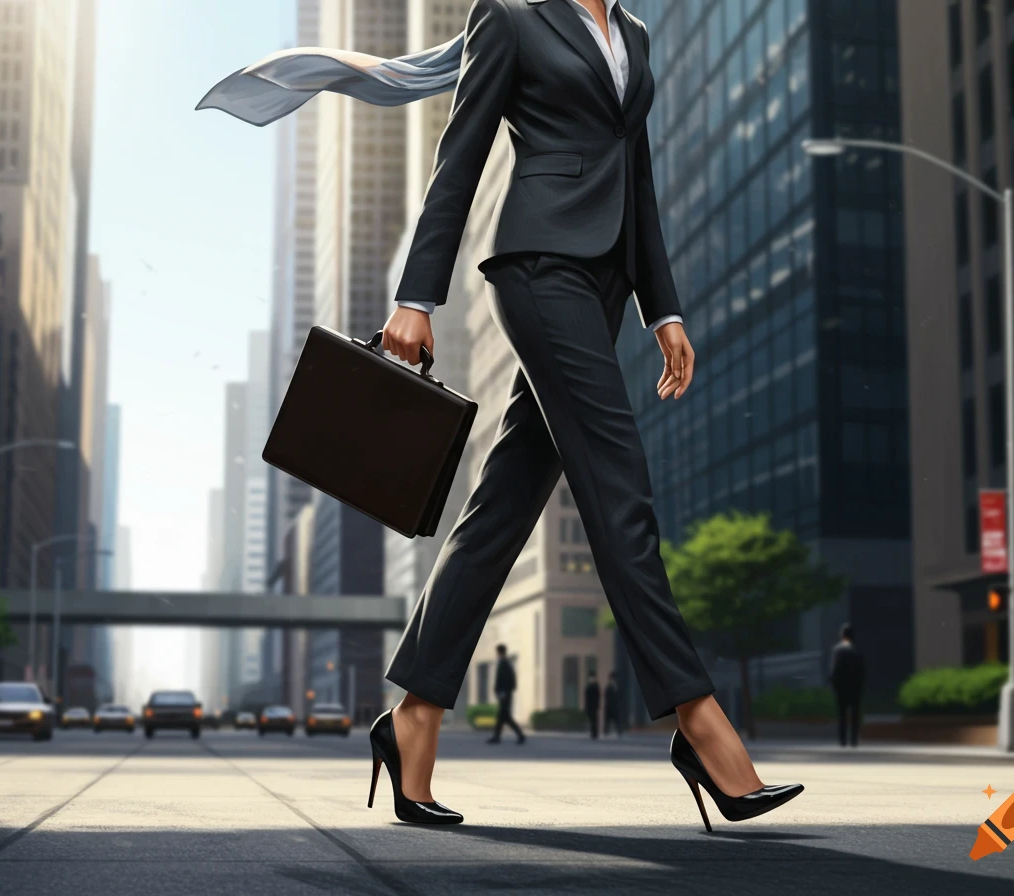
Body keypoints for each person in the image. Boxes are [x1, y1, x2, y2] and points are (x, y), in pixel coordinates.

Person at [201, 0, 802, 827]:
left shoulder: (634, 35)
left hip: (604, 283)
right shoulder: (511, 16)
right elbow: (462, 155)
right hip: (538, 266)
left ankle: (412, 718)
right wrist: (417, 297)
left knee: (502, 508)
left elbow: (638, 180)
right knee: (619, 485)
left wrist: (662, 310)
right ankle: (701, 725)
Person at [829, 624, 866, 747]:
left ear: (842, 635)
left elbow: (834, 670)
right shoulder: (857, 650)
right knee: (855, 714)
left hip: (841, 688)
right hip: (855, 688)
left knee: (842, 714)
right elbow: (862, 671)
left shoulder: (837, 650)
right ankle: (854, 740)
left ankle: (842, 740)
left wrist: (833, 685)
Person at [486, 645, 525, 745]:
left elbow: (506, 680)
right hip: (505, 693)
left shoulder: (504, 664)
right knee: (503, 717)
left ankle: (519, 736)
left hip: (505, 694)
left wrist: (504, 692)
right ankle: (497, 737)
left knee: (504, 717)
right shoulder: (505, 663)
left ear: (499, 652)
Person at [603, 671, 623, 737]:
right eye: (611, 679)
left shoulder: (618, 687)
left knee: (617, 721)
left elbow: (620, 697)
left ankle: (619, 732)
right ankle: (605, 732)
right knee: (607, 722)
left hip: (616, 708)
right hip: (609, 707)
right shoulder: (608, 687)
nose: (613, 680)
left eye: (614, 678)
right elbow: (606, 697)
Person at [584, 670, 600, 739]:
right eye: (590, 678)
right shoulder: (588, 686)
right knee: (591, 720)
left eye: (592, 677)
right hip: (589, 706)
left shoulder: (596, 686)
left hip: (594, 706)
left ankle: (595, 733)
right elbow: (586, 697)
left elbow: (598, 697)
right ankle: (592, 732)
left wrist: (597, 705)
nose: (591, 679)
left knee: (594, 720)